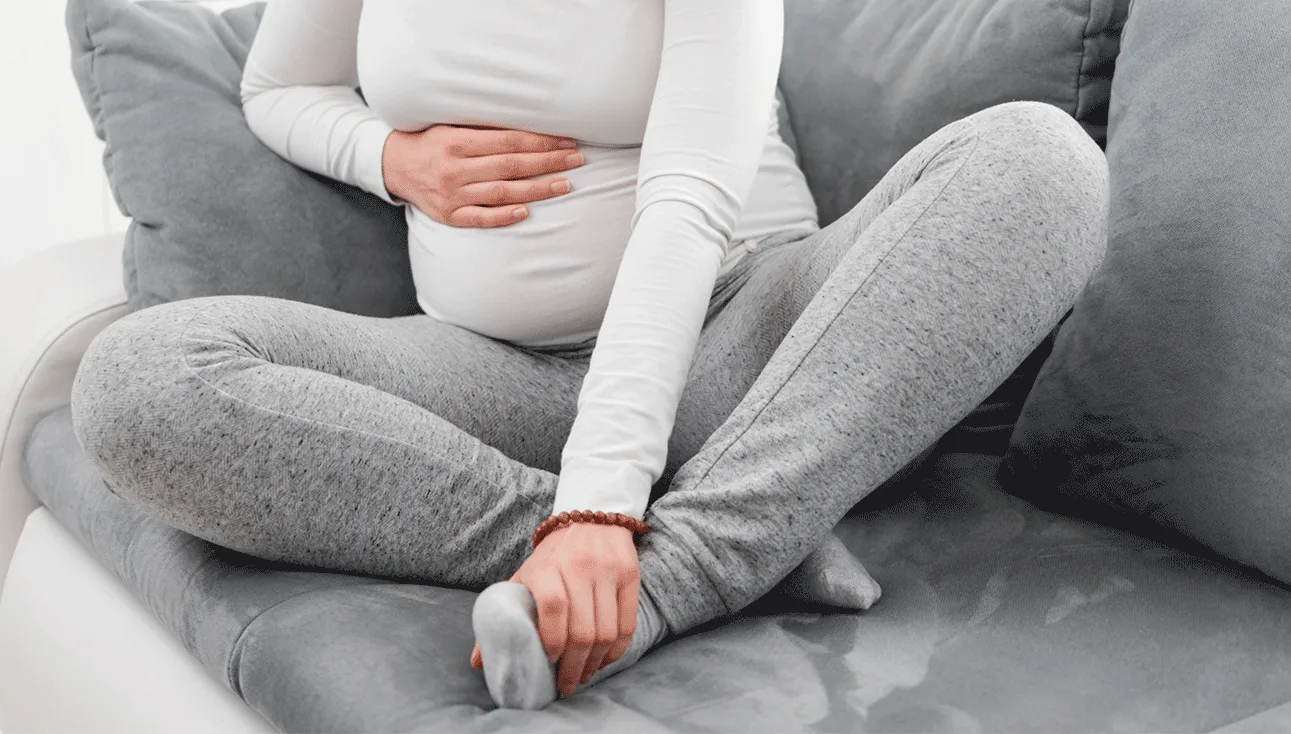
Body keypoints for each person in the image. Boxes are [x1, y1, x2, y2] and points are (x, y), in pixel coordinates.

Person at [69, 0, 1109, 710]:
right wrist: (390, 157)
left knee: (1043, 162)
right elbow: (278, 85)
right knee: (141, 379)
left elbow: (688, 204)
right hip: (494, 377)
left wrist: (601, 506)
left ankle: (670, 575)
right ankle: (731, 536)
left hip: (741, 341)